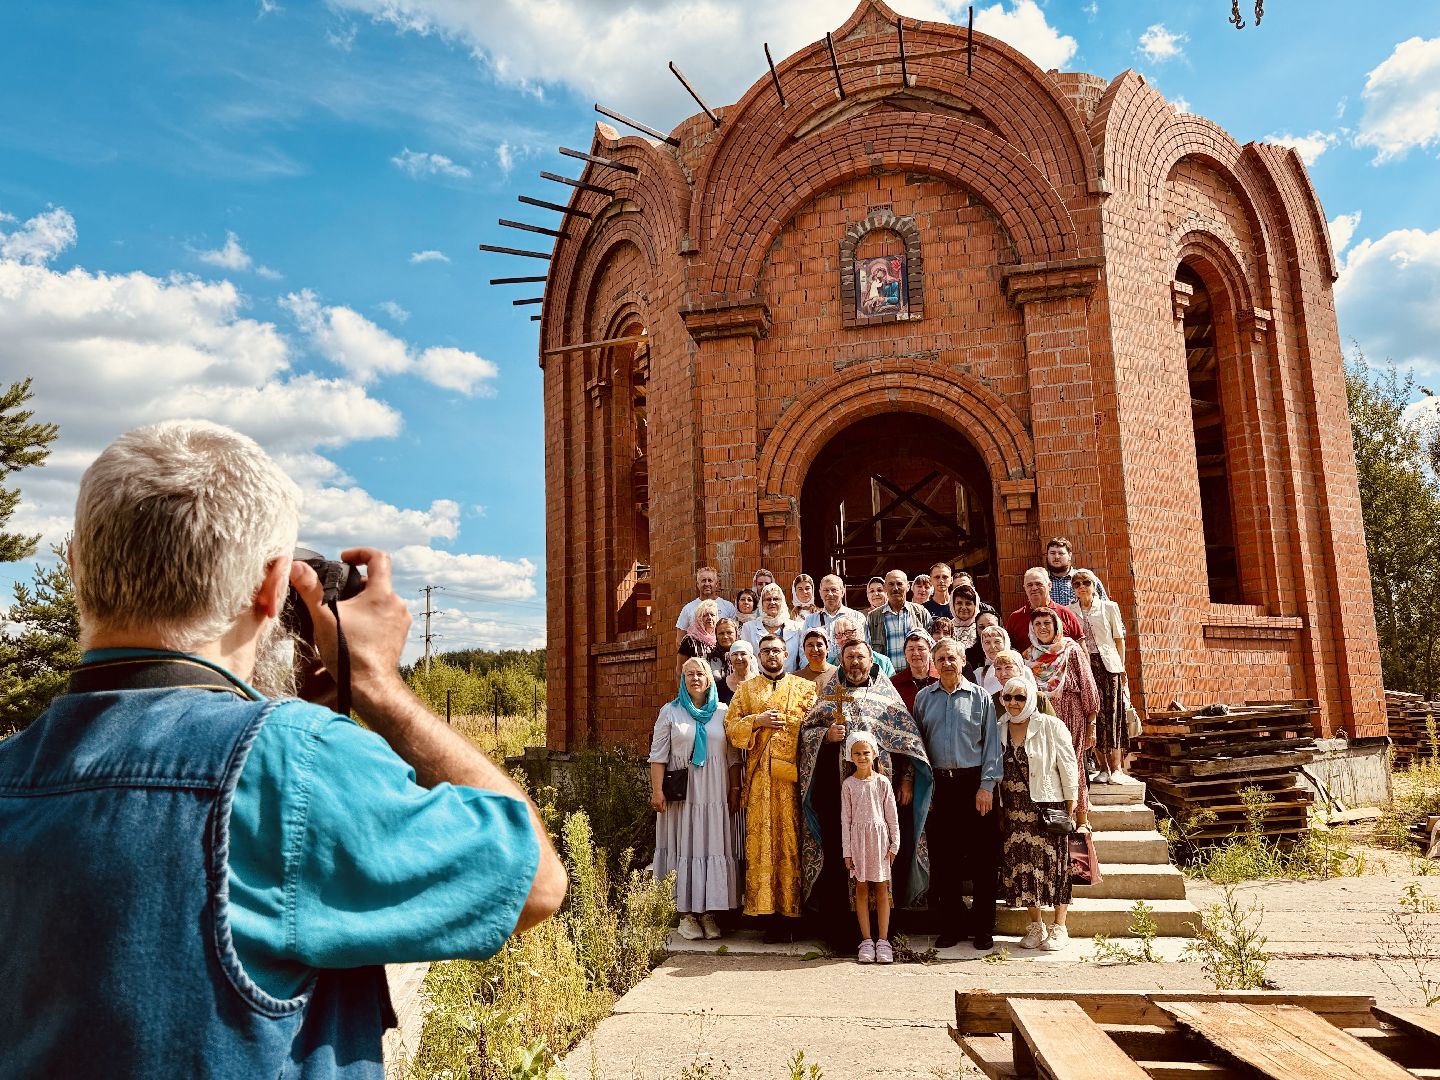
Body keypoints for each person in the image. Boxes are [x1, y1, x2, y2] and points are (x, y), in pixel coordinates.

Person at [0, 421, 566, 1077]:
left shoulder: (13, 775)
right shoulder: (291, 763)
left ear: (73, 566)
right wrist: (379, 688)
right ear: (272, 586)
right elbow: (534, 882)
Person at [798, 640, 932, 952]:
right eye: (849, 657)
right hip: (839, 797)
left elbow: (909, 742)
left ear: (872, 660)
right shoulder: (830, 696)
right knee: (842, 861)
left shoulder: (885, 698)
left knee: (884, 861)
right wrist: (826, 736)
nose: (855, 662)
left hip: (880, 797)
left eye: (861, 656)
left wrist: (908, 780)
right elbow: (806, 735)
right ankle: (845, 935)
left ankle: (885, 936)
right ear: (841, 661)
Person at [725, 635, 818, 941]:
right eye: (765, 651)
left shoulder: (804, 687)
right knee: (764, 843)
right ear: (759, 656)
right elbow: (730, 726)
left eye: (776, 650)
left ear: (786, 653)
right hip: (760, 779)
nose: (771, 655)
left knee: (791, 842)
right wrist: (757, 720)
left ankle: (794, 913)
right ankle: (768, 915)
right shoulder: (746, 689)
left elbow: (814, 726)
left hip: (792, 778)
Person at [912, 638, 1002, 951]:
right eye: (942, 658)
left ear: (963, 660)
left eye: (952, 657)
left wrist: (987, 786)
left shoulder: (980, 698)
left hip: (974, 784)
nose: (947, 663)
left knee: (983, 861)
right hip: (939, 786)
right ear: (934, 663)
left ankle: (982, 928)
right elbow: (918, 745)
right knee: (944, 860)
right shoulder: (924, 698)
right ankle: (951, 925)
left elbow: (991, 743)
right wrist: (925, 787)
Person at [649, 658, 740, 942]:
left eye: (700, 673)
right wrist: (656, 791)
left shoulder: (723, 712)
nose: (695, 678)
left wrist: (735, 788)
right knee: (685, 844)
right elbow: (658, 755)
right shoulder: (671, 711)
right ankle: (686, 914)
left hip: (715, 792)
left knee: (711, 843)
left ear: (710, 679)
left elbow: (733, 756)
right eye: (689, 674)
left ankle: (709, 912)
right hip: (683, 794)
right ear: (682, 679)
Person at [996, 676, 1079, 952]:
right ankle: (1035, 925)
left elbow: (1068, 766)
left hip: (1047, 806)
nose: (1014, 703)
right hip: (1014, 810)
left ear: (1030, 697)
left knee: (1054, 867)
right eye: (1008, 697)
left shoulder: (1050, 725)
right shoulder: (1000, 727)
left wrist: (1071, 805)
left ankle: (1059, 927)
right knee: (1025, 868)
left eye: (1020, 697)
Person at [1025, 608, 1100, 829]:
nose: (1042, 628)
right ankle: (1059, 817)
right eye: (1037, 624)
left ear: (1056, 625)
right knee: (1049, 764)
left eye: (1047, 623)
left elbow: (1088, 686)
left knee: (1072, 762)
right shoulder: (1029, 655)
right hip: (1042, 715)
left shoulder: (1071, 650)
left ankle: (1081, 818)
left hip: (1071, 711)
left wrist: (1091, 724)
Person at [1066, 569, 1133, 784]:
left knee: (1112, 715)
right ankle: (1102, 768)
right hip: (1084, 667)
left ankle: (1117, 768)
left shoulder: (1109, 607)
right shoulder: (1069, 611)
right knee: (1092, 715)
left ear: (1095, 585)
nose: (1082, 586)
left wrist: (1122, 668)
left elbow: (1119, 639)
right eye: (1077, 584)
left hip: (1108, 666)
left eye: (1086, 582)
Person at [841, 731, 901, 965]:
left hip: (879, 840)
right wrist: (847, 851)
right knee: (862, 888)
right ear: (850, 755)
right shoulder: (848, 785)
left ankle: (883, 940)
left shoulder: (882, 782)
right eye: (857, 753)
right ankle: (866, 940)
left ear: (874, 754)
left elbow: (892, 816)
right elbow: (845, 819)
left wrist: (894, 843)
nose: (862, 757)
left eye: (866, 752)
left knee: (882, 888)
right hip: (858, 841)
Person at [866, 570, 933, 669]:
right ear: (885, 587)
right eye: (891, 584)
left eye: (899, 584)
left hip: (915, 677)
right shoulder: (873, 617)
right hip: (887, 678)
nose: (895, 588)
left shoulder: (921, 612)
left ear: (908, 586)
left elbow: (932, 646)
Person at [1006, 567, 1082, 645]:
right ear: (1024, 588)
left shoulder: (1065, 614)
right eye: (1029, 585)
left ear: (1049, 585)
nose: (1034, 588)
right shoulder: (1015, 618)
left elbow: (1081, 649)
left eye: (1039, 584)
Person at [741, 582, 802, 671]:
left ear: (783, 602)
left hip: (790, 681)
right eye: (768, 599)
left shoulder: (797, 628)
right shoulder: (749, 628)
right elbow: (747, 659)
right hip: (759, 681)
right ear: (762, 603)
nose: (772, 602)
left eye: (776, 599)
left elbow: (802, 659)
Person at [676, 566, 739, 648]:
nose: (706, 584)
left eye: (710, 580)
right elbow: (680, 641)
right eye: (703, 581)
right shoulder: (688, 609)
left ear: (716, 584)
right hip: (697, 657)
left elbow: (736, 635)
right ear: (698, 584)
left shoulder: (728, 607)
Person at [802, 573, 868, 643]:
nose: (830, 594)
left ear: (842, 592)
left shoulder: (857, 618)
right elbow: (803, 649)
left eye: (834, 590)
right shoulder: (810, 621)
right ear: (820, 593)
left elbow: (865, 646)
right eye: (826, 590)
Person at [1043, 537, 1107, 608]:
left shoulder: (1087, 579)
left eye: (1061, 553)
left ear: (1069, 555)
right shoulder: (1041, 581)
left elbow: (1105, 607)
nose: (1056, 557)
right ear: (1047, 555)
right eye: (1052, 553)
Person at [827, 614, 895, 676]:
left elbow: (892, 688)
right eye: (839, 634)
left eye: (849, 632)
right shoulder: (829, 664)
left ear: (860, 632)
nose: (844, 638)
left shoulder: (882, 662)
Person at [890, 627, 938, 713]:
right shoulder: (895, 683)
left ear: (930, 652)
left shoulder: (942, 678)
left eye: (920, 648)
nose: (916, 653)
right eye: (911, 649)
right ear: (905, 653)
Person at [677, 598, 721, 677]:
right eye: (705, 615)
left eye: (712, 615)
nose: (709, 618)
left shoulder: (719, 640)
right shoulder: (689, 640)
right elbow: (680, 670)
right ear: (699, 618)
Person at [718, 639, 754, 705]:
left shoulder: (761, 682)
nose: (739, 658)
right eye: (735, 654)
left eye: (743, 654)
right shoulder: (720, 686)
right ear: (730, 658)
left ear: (751, 657)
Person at [712, 617, 739, 684]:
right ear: (716, 636)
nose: (725, 636)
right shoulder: (709, 657)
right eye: (721, 633)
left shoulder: (746, 655)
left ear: (736, 634)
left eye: (729, 632)